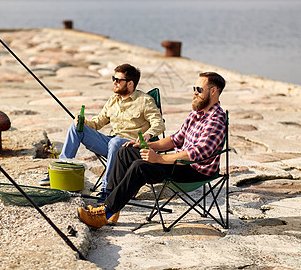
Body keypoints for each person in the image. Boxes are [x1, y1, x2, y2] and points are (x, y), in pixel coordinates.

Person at [77, 72, 226, 229]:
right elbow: (175, 139)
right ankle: (110, 207)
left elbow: (195, 154)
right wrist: (146, 146)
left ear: (213, 91)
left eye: (199, 89)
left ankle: (103, 213)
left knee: (140, 167)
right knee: (125, 151)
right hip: (179, 162)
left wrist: (158, 159)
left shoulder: (215, 120)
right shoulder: (197, 114)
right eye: (194, 88)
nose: (195, 92)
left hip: (195, 170)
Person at [41, 63, 165, 198]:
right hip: (112, 143)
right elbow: (98, 122)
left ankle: (108, 188)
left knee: (115, 142)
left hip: (131, 148)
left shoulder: (145, 101)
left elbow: (158, 123)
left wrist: (148, 134)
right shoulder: (113, 100)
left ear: (130, 84)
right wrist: (84, 122)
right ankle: (59, 168)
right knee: (76, 128)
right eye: (113, 79)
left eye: (118, 80)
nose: (114, 83)